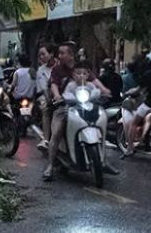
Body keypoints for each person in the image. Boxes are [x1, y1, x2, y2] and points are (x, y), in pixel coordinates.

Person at [44, 42, 115, 180]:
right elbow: (54, 85)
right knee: (57, 132)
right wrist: (58, 95)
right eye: (59, 53)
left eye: (62, 53)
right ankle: (50, 166)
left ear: (71, 54)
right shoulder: (57, 69)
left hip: (86, 105)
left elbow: (95, 82)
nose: (59, 56)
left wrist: (104, 90)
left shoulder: (82, 68)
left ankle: (103, 160)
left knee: (102, 122)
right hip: (65, 107)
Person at [35, 44, 58, 149]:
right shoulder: (41, 70)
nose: (41, 57)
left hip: (62, 96)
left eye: (43, 54)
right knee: (45, 109)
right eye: (40, 55)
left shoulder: (60, 65)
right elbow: (44, 89)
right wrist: (49, 101)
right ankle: (46, 139)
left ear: (51, 54)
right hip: (47, 96)